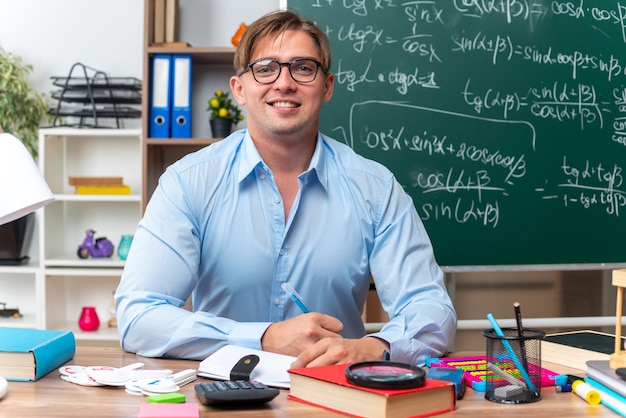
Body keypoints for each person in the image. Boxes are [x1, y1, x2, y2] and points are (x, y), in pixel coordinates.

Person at [115, 9, 456, 367]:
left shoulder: (376, 188)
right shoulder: (188, 183)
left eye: (303, 68)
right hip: (223, 395)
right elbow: (138, 315)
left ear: (327, 87)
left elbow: (431, 310)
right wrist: (262, 338)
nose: (284, 83)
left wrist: (376, 347)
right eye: (265, 68)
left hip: (334, 395)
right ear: (239, 89)